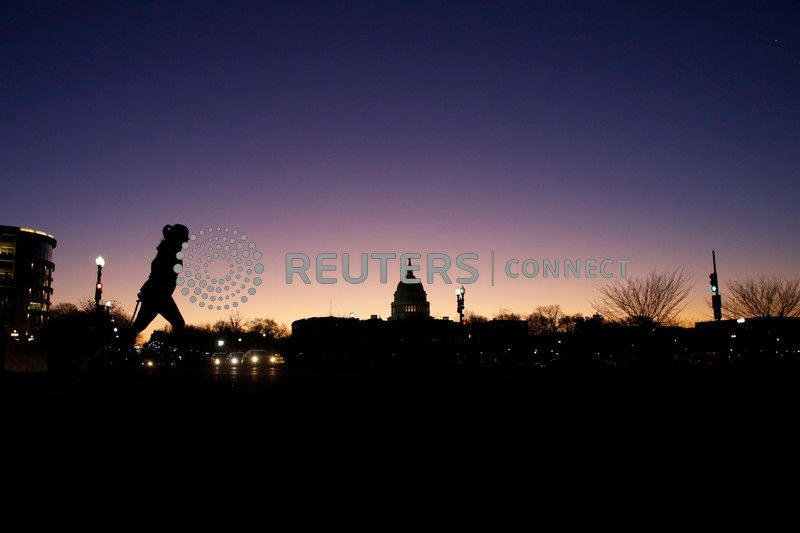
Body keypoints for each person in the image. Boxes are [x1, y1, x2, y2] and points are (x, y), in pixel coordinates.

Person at [123, 224, 190, 346]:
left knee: (139, 325)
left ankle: (122, 345)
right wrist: (148, 290)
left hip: (158, 294)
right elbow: (158, 275)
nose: (183, 244)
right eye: (182, 240)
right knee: (178, 323)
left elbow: (156, 274)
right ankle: (172, 351)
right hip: (159, 295)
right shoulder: (168, 252)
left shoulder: (167, 250)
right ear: (176, 238)